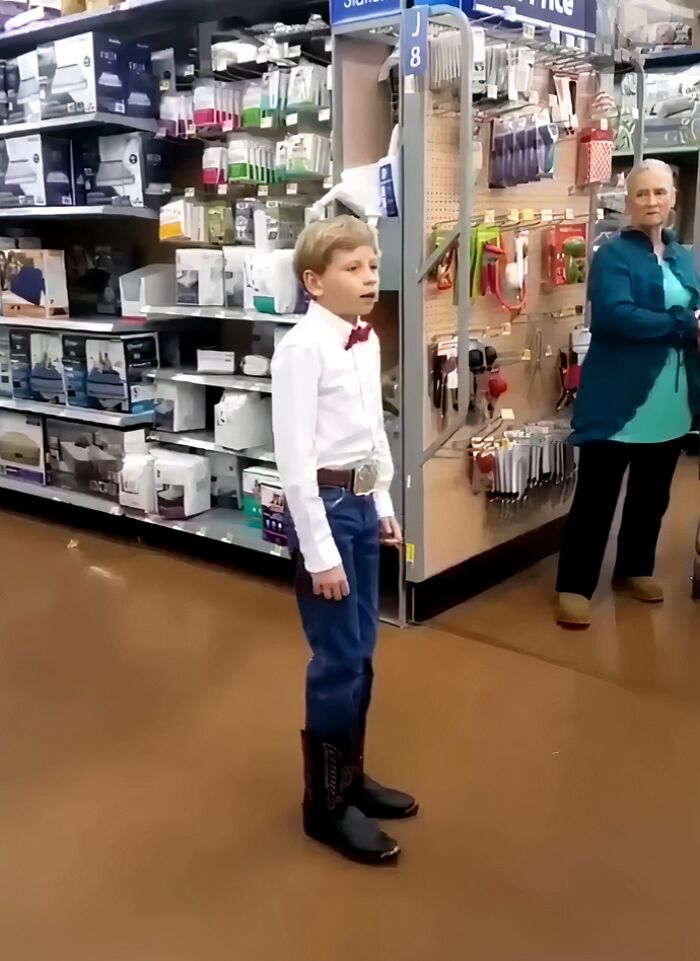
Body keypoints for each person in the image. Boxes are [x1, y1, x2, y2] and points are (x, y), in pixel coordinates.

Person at [271, 216, 417, 865]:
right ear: (314, 280)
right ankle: (325, 806)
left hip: (360, 503)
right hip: (325, 512)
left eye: (372, 266)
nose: (369, 277)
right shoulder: (302, 350)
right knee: (336, 657)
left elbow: (373, 432)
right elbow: (295, 462)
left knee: (362, 649)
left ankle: (351, 778)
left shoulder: (366, 338)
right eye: (353, 268)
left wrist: (382, 502)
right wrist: (320, 553)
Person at [556, 159, 700, 628]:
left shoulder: (684, 256)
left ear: (674, 198)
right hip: (617, 400)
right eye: (642, 193)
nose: (651, 202)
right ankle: (574, 585)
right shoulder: (612, 256)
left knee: (652, 494)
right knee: (596, 499)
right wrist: (683, 324)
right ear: (628, 200)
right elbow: (616, 316)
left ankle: (635, 568)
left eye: (660, 192)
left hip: (671, 400)